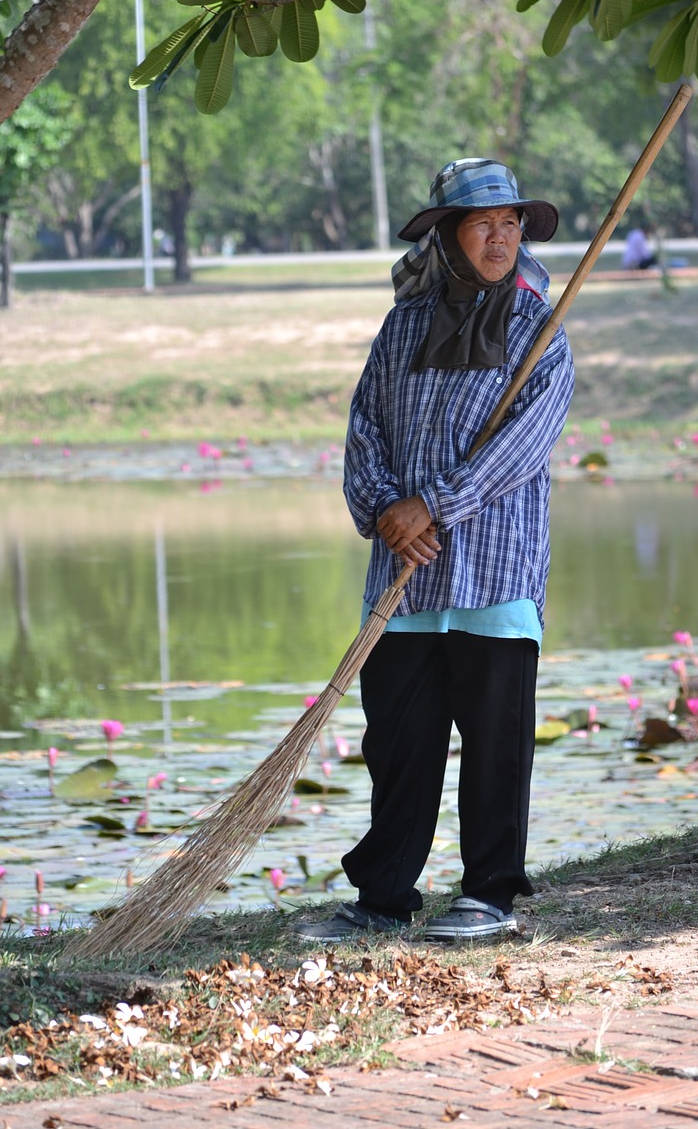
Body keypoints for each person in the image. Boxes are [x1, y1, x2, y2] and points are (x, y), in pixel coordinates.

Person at [294, 158, 575, 943]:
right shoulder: (403, 327)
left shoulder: (538, 333)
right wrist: (385, 508)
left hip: (495, 572)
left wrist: (435, 506)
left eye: (510, 223)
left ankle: (488, 893)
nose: (499, 237)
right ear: (446, 237)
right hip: (403, 580)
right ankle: (382, 897)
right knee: (399, 745)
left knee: (494, 743)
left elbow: (521, 447)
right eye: (482, 224)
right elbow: (364, 429)